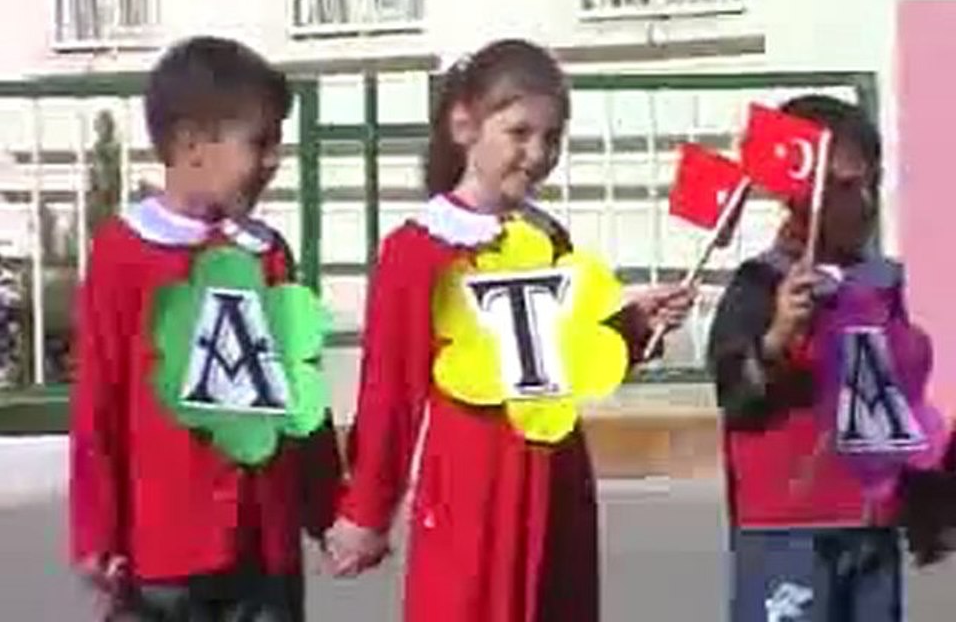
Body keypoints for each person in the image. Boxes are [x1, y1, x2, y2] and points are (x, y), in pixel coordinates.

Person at [323, 39, 696, 622]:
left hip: (555, 478)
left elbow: (562, 355)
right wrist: (365, 513)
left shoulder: (548, 237)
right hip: (472, 487)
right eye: (519, 133)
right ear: (464, 126)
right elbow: (390, 394)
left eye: (552, 137)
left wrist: (630, 328)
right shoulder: (420, 249)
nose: (537, 154)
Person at [69, 36, 340, 621]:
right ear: (192, 144)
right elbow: (99, 401)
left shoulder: (268, 254)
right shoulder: (125, 254)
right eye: (259, 143)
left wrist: (327, 506)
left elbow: (300, 392)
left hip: (263, 544)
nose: (274, 161)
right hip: (165, 549)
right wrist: (97, 529)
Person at [708, 95, 934, 621]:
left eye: (872, 183)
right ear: (799, 194)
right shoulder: (761, 284)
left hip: (871, 525)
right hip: (788, 529)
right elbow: (734, 393)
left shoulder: (886, 284)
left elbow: (905, 402)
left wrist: (927, 494)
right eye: (844, 188)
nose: (866, 203)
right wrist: (777, 337)